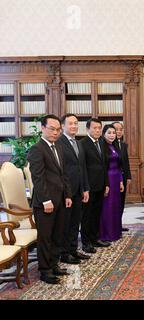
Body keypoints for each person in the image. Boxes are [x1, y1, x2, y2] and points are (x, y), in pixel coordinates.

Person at [27, 114, 72, 284]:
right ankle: (45, 270)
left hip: (60, 198)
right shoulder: (36, 149)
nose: (55, 132)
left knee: (57, 234)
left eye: (58, 129)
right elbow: (37, 178)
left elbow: (64, 174)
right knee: (45, 237)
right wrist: (46, 200)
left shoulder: (58, 147)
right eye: (52, 129)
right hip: (45, 202)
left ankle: (54, 265)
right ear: (42, 128)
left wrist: (67, 194)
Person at [56, 114, 91, 264]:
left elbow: (82, 168)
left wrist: (85, 188)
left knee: (76, 222)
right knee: (66, 223)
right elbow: (60, 170)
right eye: (70, 124)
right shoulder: (59, 143)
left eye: (76, 123)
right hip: (66, 191)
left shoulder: (78, 143)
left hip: (78, 189)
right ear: (63, 126)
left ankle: (73, 250)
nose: (74, 126)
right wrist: (66, 192)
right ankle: (64, 253)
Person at [80, 118, 111, 254]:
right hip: (89, 186)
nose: (97, 130)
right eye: (95, 128)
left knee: (96, 214)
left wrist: (106, 184)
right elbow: (82, 168)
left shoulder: (102, 143)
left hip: (100, 185)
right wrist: (85, 187)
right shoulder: (82, 144)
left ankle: (95, 238)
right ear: (88, 129)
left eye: (99, 128)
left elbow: (105, 166)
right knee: (87, 216)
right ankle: (86, 242)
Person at [99, 125, 124, 241]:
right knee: (107, 207)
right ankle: (106, 234)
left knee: (116, 207)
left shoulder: (114, 146)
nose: (112, 135)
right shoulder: (102, 147)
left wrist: (121, 182)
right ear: (103, 134)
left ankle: (116, 232)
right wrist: (106, 184)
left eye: (113, 133)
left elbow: (119, 166)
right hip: (107, 179)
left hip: (116, 178)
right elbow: (103, 167)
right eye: (109, 133)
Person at [112, 121, 131, 232]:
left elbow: (126, 162)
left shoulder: (123, 145)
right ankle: (113, 224)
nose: (119, 132)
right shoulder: (109, 144)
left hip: (123, 177)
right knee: (113, 202)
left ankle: (118, 223)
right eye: (116, 129)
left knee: (121, 201)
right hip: (113, 177)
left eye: (120, 129)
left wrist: (128, 176)